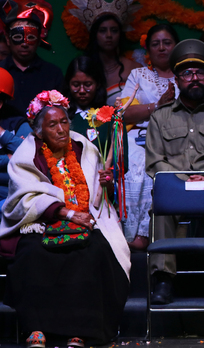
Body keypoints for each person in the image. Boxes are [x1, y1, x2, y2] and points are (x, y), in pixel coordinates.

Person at [0, 90, 130, 348]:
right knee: (32, 253)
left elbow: (97, 198)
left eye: (64, 122)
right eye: (52, 124)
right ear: (38, 131)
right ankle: (36, 329)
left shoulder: (85, 147)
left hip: (86, 219)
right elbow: (22, 199)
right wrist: (65, 212)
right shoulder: (27, 155)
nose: (61, 129)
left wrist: (106, 186)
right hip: (40, 224)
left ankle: (81, 331)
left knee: (94, 251)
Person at [145, 39, 204, 305]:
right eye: (187, 73)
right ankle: (164, 279)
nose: (194, 78)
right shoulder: (160, 117)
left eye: (200, 72)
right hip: (176, 189)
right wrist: (181, 181)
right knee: (161, 208)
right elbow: (154, 161)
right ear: (176, 79)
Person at [120, 24, 179, 251]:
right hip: (140, 138)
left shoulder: (186, 75)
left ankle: (155, 233)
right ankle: (134, 234)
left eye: (167, 43)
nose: (162, 48)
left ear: (176, 46)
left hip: (176, 140)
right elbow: (123, 114)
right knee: (136, 168)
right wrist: (157, 106)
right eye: (155, 44)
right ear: (148, 49)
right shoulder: (138, 75)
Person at [68, 0, 142, 106]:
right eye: (102, 31)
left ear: (120, 34)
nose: (109, 36)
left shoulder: (135, 70)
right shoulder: (82, 69)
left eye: (114, 30)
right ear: (94, 34)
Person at [0, 0, 63, 115]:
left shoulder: (53, 74)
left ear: (39, 39)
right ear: (8, 39)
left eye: (31, 37)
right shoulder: (0, 72)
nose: (24, 44)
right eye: (18, 37)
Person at [0, 67, 32, 204]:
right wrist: (8, 158)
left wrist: (1, 133)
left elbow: (31, 154)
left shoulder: (16, 121)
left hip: (13, 198)